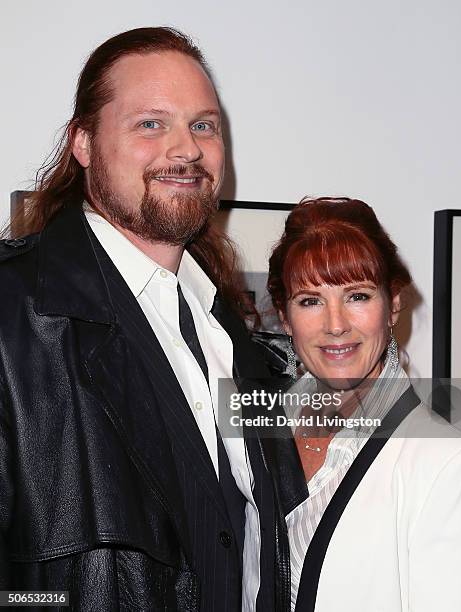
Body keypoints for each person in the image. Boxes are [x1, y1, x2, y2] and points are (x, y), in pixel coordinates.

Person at [0, 27, 296, 611]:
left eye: (203, 125)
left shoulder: (231, 337)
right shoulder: (12, 315)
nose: (185, 149)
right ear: (83, 144)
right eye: (150, 123)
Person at [267, 197, 461, 612]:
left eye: (357, 296)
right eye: (310, 300)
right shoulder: (254, 437)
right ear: (285, 317)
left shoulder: (445, 459)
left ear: (393, 304)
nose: (336, 324)